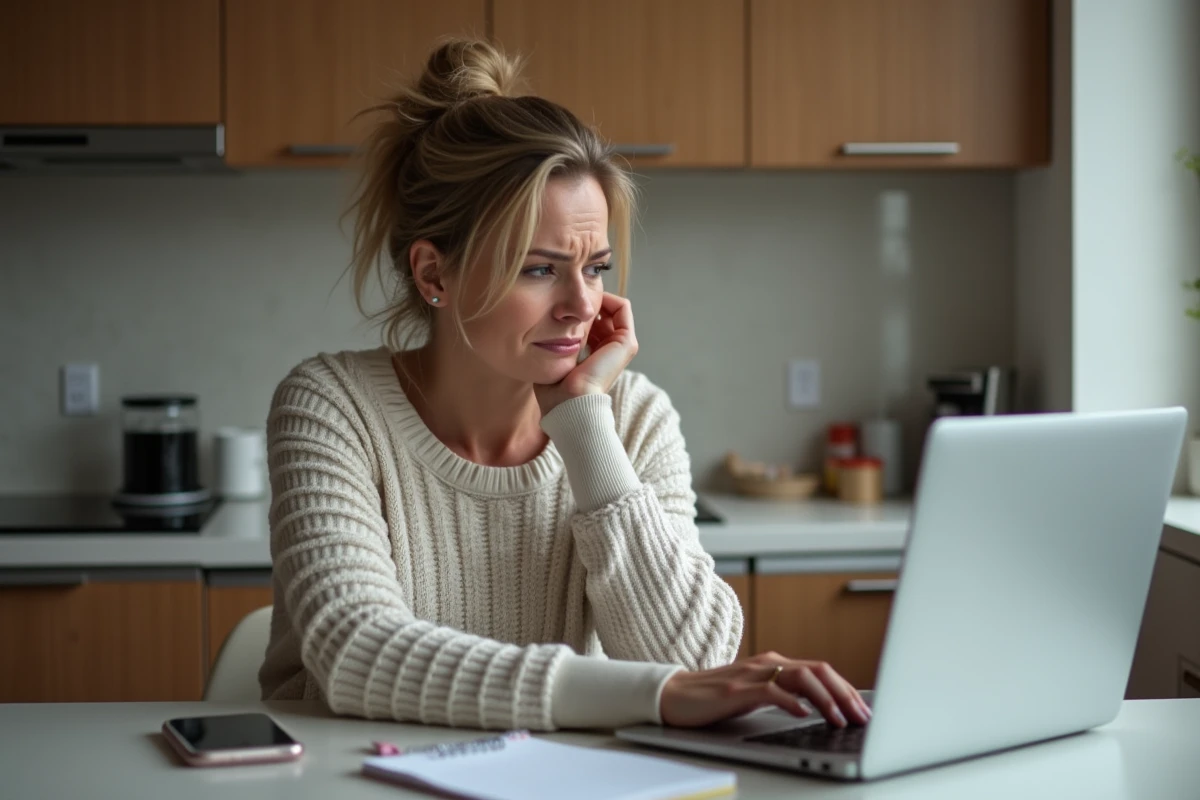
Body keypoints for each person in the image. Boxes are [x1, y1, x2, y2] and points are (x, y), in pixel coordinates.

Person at [258, 38, 871, 732]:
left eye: (597, 267)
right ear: (433, 275)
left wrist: (584, 426)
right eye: (540, 268)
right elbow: (355, 653)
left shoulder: (632, 418)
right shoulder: (332, 405)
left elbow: (692, 658)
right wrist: (652, 696)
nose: (583, 305)